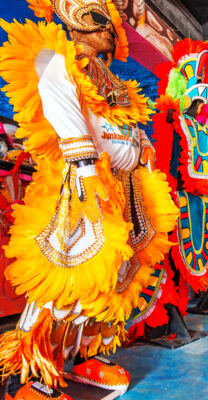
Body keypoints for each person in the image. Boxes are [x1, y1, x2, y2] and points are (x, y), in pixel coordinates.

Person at [0, 0, 179, 398]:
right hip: (80, 185)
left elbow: (130, 127)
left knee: (110, 281)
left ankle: (83, 355)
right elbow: (69, 123)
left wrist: (144, 153)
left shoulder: (111, 81)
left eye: (113, 28)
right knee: (67, 274)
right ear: (79, 21)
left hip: (125, 187)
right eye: (104, 23)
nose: (112, 33)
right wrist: (88, 176)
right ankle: (29, 375)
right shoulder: (56, 60)